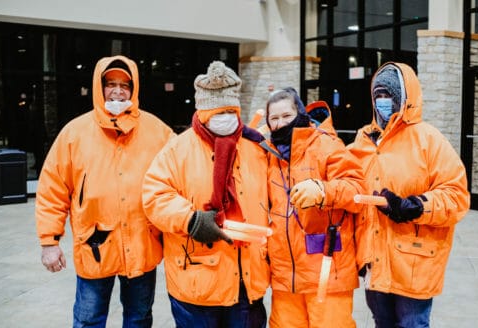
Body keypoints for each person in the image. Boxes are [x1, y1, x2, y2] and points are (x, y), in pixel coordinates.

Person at [35, 55, 175, 327]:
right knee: (88, 320)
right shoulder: (74, 133)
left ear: (134, 89)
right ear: (100, 88)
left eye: (125, 84)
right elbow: (52, 190)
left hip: (142, 245)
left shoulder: (158, 131)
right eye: (111, 83)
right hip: (94, 246)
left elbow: (184, 170)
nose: (118, 90)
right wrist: (49, 242)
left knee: (139, 318)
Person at [142, 61, 270, 328]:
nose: (224, 117)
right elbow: (154, 196)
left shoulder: (255, 149)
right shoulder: (177, 150)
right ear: (201, 112)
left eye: (229, 110)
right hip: (197, 284)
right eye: (216, 111)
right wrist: (191, 220)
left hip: (246, 281)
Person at [348, 62, 470, 327]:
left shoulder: (429, 140)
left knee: (412, 323)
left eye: (389, 95)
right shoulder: (363, 140)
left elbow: (456, 195)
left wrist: (414, 206)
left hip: (414, 259)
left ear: (405, 98)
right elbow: (345, 182)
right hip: (374, 258)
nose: (383, 102)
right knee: (382, 322)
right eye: (378, 95)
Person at [264, 87, 365, 328]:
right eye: (274, 119)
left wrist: (323, 191)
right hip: (285, 276)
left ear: (299, 113)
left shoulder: (326, 144)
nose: (280, 124)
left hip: (327, 272)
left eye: (286, 116)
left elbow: (358, 190)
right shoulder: (268, 153)